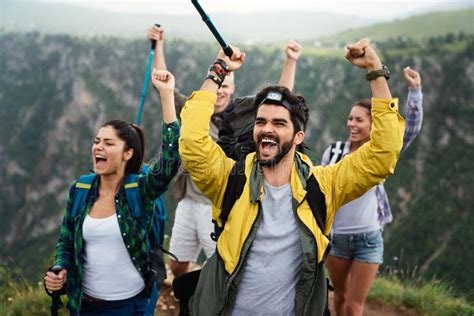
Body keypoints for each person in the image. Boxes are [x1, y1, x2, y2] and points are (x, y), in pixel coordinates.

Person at [178, 38, 404, 315]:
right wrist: (219, 70)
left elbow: (383, 154)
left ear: (299, 136)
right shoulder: (230, 179)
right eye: (260, 122)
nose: (267, 129)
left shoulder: (323, 186)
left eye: (279, 123)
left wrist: (375, 70)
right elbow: (191, 142)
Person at [147, 25, 303, 278]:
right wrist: (160, 45)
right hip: (189, 199)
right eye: (218, 85)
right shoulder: (194, 108)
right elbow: (164, 85)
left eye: (226, 87)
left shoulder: (243, 120)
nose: (220, 91)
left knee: (222, 266)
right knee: (178, 264)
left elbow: (280, 103)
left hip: (221, 200)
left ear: (232, 90)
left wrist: (290, 61)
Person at [44, 69, 180, 315]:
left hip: (132, 306)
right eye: (97, 141)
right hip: (85, 305)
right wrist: (59, 269)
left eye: (108, 143)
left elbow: (169, 163)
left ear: (127, 154)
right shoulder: (81, 190)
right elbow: (66, 241)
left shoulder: (139, 191)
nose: (98, 147)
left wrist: (167, 96)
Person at [321, 66, 423, 316]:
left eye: (359, 119)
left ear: (373, 124)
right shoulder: (333, 152)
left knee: (355, 306)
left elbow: (408, 130)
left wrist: (415, 92)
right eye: (350, 118)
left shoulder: (378, 154)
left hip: (368, 238)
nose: (352, 124)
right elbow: (321, 191)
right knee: (340, 296)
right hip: (337, 239)